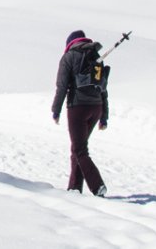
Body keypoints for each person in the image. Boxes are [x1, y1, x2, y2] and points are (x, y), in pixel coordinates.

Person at [51, 29, 108, 197]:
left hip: (78, 108)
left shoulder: (68, 57)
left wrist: (56, 110)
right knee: (77, 147)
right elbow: (103, 88)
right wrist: (104, 116)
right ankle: (74, 189)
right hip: (96, 107)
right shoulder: (96, 57)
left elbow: (62, 86)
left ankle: (97, 186)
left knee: (80, 149)